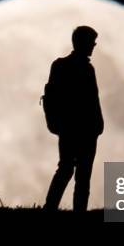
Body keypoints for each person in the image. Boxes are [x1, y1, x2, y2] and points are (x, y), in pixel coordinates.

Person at [44, 26, 104, 212]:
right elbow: (92, 101)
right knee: (79, 173)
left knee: (67, 169)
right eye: (91, 42)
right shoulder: (84, 68)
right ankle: (76, 211)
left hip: (72, 128)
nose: (94, 46)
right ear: (83, 43)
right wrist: (97, 125)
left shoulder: (61, 65)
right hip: (81, 129)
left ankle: (50, 208)